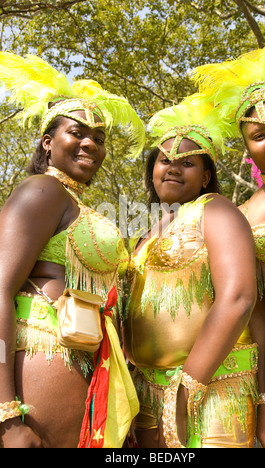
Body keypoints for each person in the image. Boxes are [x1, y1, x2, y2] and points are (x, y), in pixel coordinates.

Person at [0, 53, 144, 448]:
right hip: (42, 360)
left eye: (98, 139)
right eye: (76, 133)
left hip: (90, 366)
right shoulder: (42, 190)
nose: (90, 144)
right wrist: (7, 415)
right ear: (48, 142)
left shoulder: (74, 203)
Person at [121, 99, 259, 448]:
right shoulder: (144, 232)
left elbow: (239, 298)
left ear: (206, 177)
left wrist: (185, 391)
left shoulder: (215, 210)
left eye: (188, 163)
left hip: (213, 391)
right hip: (147, 396)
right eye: (165, 160)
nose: (173, 168)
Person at [193, 33, 265, 448]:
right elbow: (251, 309)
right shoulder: (242, 216)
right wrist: (263, 401)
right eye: (259, 136)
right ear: (247, 148)